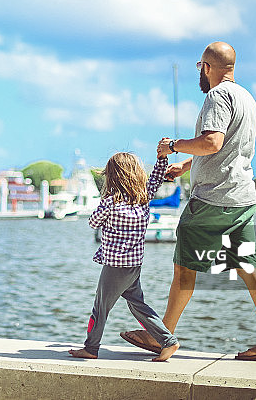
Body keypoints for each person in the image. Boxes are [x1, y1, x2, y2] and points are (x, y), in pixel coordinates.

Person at [120, 41, 256, 363]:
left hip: (212, 200)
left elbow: (212, 142)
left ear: (207, 68)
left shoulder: (217, 95)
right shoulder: (247, 98)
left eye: (200, 67)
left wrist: (175, 146)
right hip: (241, 199)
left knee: (184, 270)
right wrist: (186, 166)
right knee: (248, 268)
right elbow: (231, 149)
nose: (200, 73)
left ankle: (160, 336)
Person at [68, 151, 180, 362]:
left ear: (112, 177)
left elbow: (93, 222)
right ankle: (168, 341)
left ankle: (91, 348)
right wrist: (162, 157)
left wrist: (104, 206)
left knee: (100, 308)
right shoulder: (144, 197)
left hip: (114, 266)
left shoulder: (110, 202)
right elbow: (156, 177)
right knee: (138, 305)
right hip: (134, 266)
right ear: (136, 175)